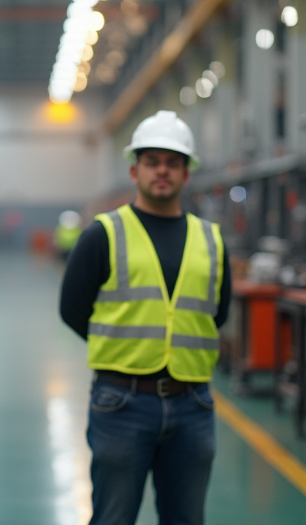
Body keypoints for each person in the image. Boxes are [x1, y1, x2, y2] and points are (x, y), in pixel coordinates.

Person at [59, 110, 231, 525]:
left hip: (193, 403)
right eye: (153, 161)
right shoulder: (103, 234)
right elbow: (72, 309)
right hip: (122, 402)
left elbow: (217, 313)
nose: (162, 171)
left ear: (186, 173)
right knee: (113, 518)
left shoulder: (212, 239)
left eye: (173, 163)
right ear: (134, 170)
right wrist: (124, 344)